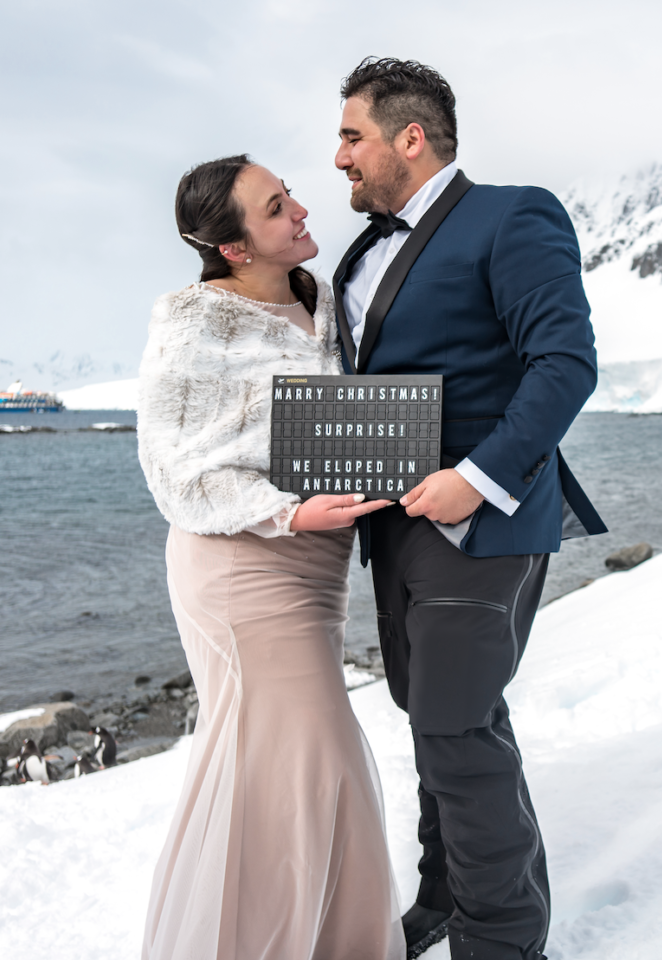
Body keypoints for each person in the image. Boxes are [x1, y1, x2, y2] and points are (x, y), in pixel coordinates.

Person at [331, 58, 607, 960]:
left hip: (484, 523)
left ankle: (503, 941)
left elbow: (563, 365)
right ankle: (444, 894)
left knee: (455, 723)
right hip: (393, 527)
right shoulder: (357, 256)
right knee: (435, 718)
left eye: (351, 136)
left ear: (410, 138)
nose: (338, 158)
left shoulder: (513, 215)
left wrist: (477, 476)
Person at [136, 154, 405, 960]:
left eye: (288, 196)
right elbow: (173, 471)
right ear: (234, 249)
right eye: (275, 207)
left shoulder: (323, 297)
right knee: (297, 758)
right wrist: (288, 513)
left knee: (299, 760)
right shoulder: (191, 320)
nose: (299, 211)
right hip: (240, 561)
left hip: (318, 562)